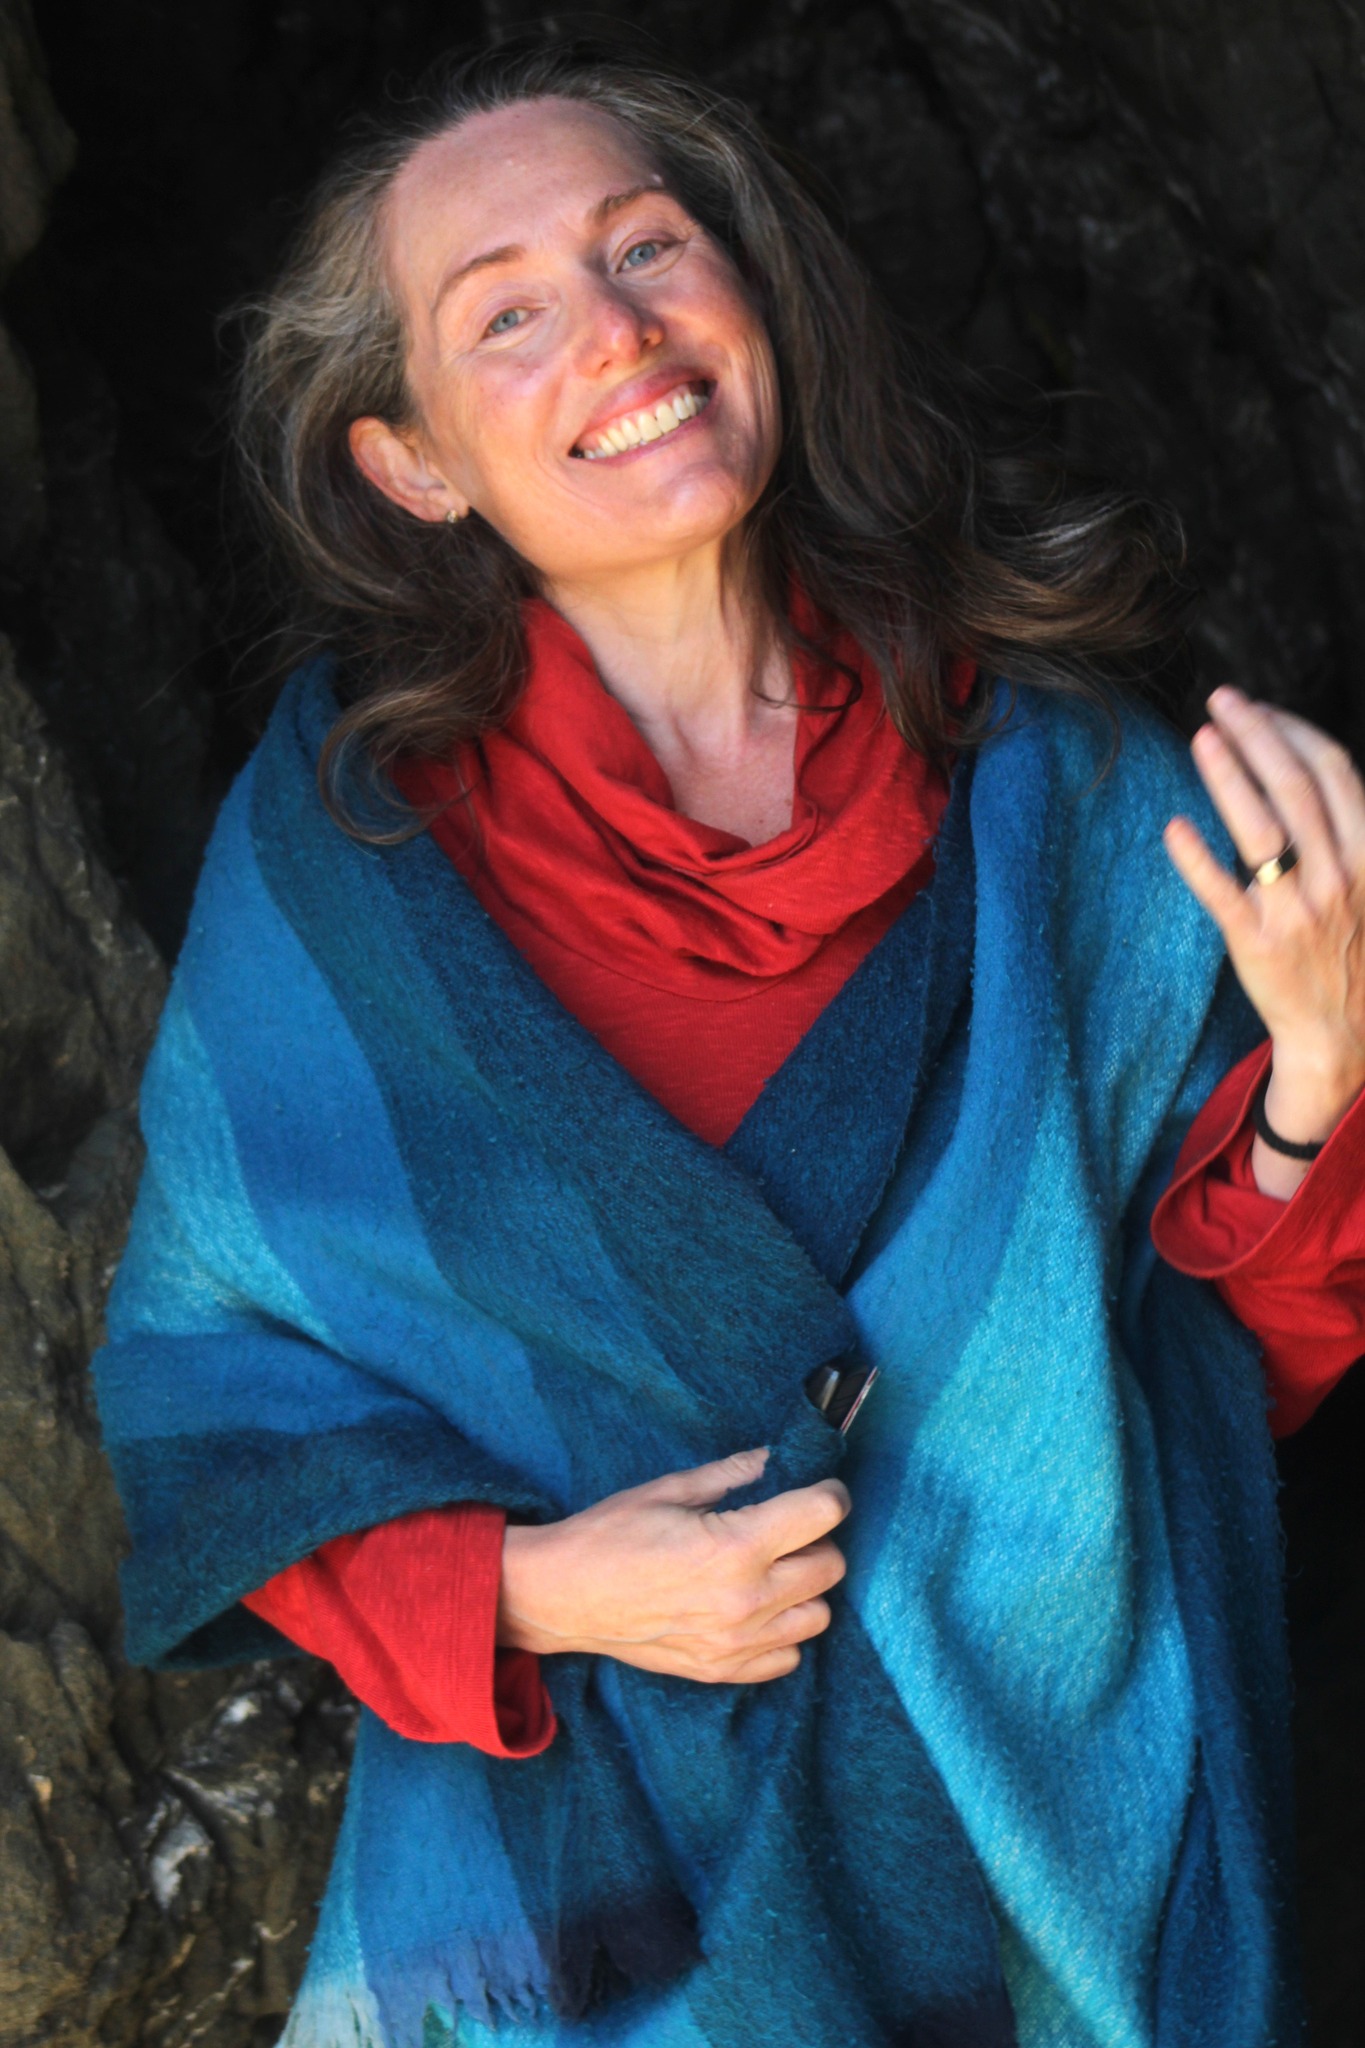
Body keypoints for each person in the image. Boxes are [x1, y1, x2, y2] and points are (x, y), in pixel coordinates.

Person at [92, 38, 1365, 2048]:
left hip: (1072, 1862)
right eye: (505, 315)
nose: (616, 333)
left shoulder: (1065, 786)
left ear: (750, 293)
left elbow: (1225, 1363)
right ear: (414, 462)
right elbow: (210, 1397)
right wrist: (540, 1590)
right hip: (604, 1925)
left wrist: (1314, 1062)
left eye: (647, 247)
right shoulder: (345, 887)